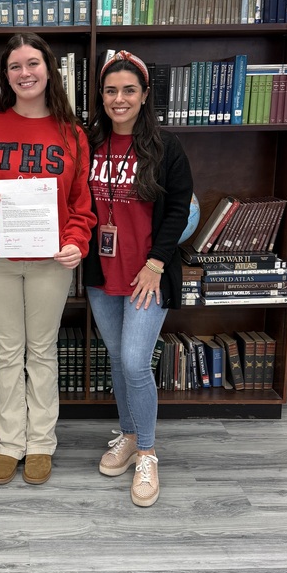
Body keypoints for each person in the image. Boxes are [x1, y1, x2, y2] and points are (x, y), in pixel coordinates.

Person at [0, 33, 95, 486]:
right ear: (6, 76)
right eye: (15, 66)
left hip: (52, 262)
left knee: (42, 350)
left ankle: (41, 443)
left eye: (33, 63)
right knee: (7, 351)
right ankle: (10, 442)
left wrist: (76, 242)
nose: (25, 73)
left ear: (49, 70)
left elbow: (81, 204)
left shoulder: (71, 133)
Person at [84, 50, 193, 507]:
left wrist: (155, 264)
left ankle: (147, 453)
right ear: (102, 97)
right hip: (101, 273)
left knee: (134, 362)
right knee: (115, 357)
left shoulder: (167, 147)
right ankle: (128, 436)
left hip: (147, 274)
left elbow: (178, 211)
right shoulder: (88, 144)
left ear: (145, 95)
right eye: (111, 90)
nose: (119, 98)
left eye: (129, 90)